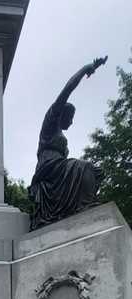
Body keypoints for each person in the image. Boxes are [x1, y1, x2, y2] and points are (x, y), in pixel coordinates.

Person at [29, 56, 107, 229]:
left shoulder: (59, 132)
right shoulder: (51, 123)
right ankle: (85, 205)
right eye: (70, 118)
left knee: (95, 170)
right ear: (62, 114)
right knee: (83, 166)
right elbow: (66, 90)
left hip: (58, 167)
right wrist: (86, 68)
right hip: (49, 167)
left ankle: (81, 205)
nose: (71, 122)